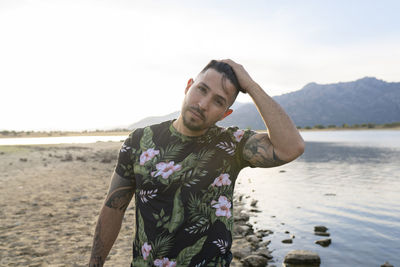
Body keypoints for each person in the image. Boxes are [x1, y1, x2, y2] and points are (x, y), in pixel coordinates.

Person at [89, 59, 305, 267]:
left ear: (225, 113)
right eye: (202, 89)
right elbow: (113, 208)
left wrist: (251, 86)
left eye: (218, 101)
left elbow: (291, 147)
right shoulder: (139, 141)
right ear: (188, 86)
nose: (203, 104)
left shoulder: (232, 145)